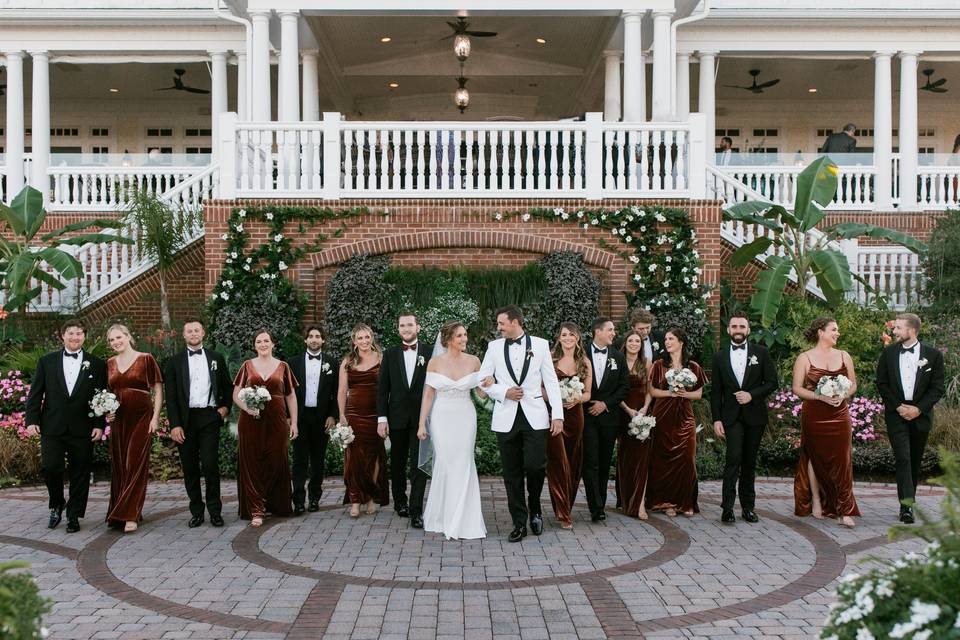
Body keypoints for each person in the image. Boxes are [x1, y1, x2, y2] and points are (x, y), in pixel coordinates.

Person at [478, 305, 563, 542]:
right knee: (511, 473)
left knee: (536, 465)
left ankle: (535, 506)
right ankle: (519, 522)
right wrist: (503, 391)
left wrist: (557, 414)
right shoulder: (493, 348)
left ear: (515, 322)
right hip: (506, 417)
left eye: (501, 323)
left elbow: (552, 382)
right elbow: (482, 380)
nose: (498, 328)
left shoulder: (540, 345)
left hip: (535, 415)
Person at [25, 319, 107, 533]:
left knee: (81, 472)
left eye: (79, 333)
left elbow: (100, 396)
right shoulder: (47, 362)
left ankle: (74, 515)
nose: (75, 337)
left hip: (83, 427)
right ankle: (56, 504)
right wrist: (32, 420)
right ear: (62, 336)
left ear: (84, 336)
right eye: (71, 333)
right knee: (51, 467)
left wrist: (99, 424)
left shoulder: (97, 364)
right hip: (52, 426)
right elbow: (36, 394)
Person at [417, 320, 486, 540]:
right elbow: (428, 395)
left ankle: (466, 520)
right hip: (442, 415)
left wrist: (489, 384)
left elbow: (482, 394)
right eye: (459, 336)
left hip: (465, 415)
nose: (464, 339)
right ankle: (445, 517)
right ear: (448, 339)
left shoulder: (475, 361)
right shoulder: (435, 363)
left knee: (464, 461)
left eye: (465, 335)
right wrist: (421, 424)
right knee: (446, 462)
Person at [876, 313, 945, 524]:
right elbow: (882, 383)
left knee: (914, 460)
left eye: (898, 328)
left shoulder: (933, 356)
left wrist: (917, 409)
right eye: (894, 328)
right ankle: (906, 507)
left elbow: (937, 388)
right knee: (903, 457)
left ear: (912, 330)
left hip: (920, 416)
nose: (894, 331)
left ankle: (908, 501)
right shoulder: (888, 354)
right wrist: (898, 407)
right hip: (896, 415)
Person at [164, 317, 232, 528]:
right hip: (185, 421)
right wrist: (174, 424)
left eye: (197, 330)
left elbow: (227, 386)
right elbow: (171, 396)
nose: (193, 334)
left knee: (211, 465)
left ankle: (215, 510)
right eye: (189, 331)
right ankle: (196, 511)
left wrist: (224, 408)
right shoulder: (174, 362)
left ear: (203, 333)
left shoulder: (216, 358)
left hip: (209, 417)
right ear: (184, 335)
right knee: (190, 468)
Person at [792, 317, 860, 528]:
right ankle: (816, 501)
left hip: (839, 414)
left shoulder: (844, 356)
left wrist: (843, 395)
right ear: (821, 332)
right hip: (815, 414)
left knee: (843, 459)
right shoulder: (804, 358)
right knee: (814, 456)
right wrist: (820, 397)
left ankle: (845, 510)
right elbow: (797, 388)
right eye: (834, 330)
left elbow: (853, 384)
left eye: (837, 330)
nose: (837, 333)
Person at [710, 315, 778, 525]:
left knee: (749, 462)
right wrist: (716, 420)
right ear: (728, 330)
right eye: (734, 326)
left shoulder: (761, 353)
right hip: (731, 417)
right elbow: (716, 392)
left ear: (748, 330)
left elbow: (772, 382)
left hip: (754, 415)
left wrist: (752, 394)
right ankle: (727, 508)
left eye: (742, 326)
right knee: (733, 458)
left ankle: (748, 507)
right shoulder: (719, 357)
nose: (738, 329)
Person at [233, 329, 298, 527]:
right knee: (252, 462)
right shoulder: (246, 366)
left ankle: (275, 504)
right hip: (251, 421)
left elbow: (291, 396)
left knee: (276, 459)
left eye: (266, 341)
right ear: (254, 345)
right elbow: (236, 394)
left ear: (273, 344)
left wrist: (294, 421)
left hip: (277, 420)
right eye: (259, 341)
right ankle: (256, 509)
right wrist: (248, 408)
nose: (263, 344)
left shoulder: (283, 366)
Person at [104, 324, 163, 533]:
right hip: (119, 420)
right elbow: (108, 393)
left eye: (119, 337)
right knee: (120, 465)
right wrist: (107, 411)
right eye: (111, 340)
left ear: (128, 336)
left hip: (141, 418)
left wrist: (155, 418)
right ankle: (123, 510)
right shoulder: (110, 363)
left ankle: (129, 515)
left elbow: (157, 387)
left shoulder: (145, 358)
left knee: (135, 463)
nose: (116, 342)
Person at [376, 313, 432, 528]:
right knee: (397, 463)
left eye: (410, 324)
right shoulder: (389, 354)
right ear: (398, 329)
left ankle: (416, 510)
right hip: (396, 417)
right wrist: (382, 418)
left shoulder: (429, 353)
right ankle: (400, 502)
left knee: (419, 464)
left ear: (418, 327)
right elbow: (383, 390)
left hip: (421, 418)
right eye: (402, 325)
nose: (406, 328)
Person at [646, 327, 705, 517]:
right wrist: (670, 393)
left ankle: (685, 502)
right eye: (666, 339)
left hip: (684, 418)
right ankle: (666, 503)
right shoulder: (658, 365)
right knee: (662, 459)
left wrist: (684, 393)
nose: (667, 342)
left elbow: (699, 394)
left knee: (687, 459)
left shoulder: (693, 367)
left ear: (681, 342)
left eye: (671, 339)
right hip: (662, 416)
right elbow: (653, 391)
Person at [287, 325, 339, 515]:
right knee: (299, 461)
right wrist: (288, 417)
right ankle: (298, 501)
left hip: (322, 418)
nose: (314, 339)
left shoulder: (332, 363)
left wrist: (333, 415)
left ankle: (314, 499)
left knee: (318, 461)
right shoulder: (293, 363)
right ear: (305, 340)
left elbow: (337, 392)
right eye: (311, 336)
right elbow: (287, 392)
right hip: (300, 417)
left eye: (318, 336)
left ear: (323, 340)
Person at [582, 317, 630, 523]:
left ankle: (599, 500)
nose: (614, 333)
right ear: (597, 331)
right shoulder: (581, 352)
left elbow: (624, 387)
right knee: (590, 461)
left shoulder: (618, 357)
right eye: (610, 330)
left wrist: (606, 404)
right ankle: (596, 506)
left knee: (603, 462)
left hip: (609, 418)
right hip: (586, 416)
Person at [338, 323, 389, 518]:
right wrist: (342, 415)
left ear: (372, 338)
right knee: (354, 459)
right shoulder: (347, 362)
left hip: (376, 414)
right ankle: (355, 500)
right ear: (354, 341)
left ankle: (370, 497)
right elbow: (342, 391)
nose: (364, 341)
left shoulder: (382, 358)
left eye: (367, 337)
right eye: (360, 338)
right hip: (354, 414)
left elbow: (387, 389)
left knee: (374, 456)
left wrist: (386, 417)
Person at [547, 322, 592, 529]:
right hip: (555, 417)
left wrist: (576, 398)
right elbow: (541, 388)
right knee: (557, 462)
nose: (567, 338)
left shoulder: (584, 362)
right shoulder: (550, 358)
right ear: (559, 338)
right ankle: (562, 511)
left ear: (577, 338)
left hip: (575, 417)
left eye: (571, 335)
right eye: (564, 334)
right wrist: (556, 397)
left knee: (573, 462)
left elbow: (588, 394)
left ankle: (567, 506)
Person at [616, 330, 652, 520]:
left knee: (642, 458)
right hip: (623, 413)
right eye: (630, 340)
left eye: (637, 341)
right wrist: (628, 410)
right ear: (625, 343)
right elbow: (615, 390)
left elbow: (648, 389)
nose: (634, 343)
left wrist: (645, 408)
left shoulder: (646, 363)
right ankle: (625, 499)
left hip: (642, 414)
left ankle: (640, 503)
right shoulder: (619, 362)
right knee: (626, 457)